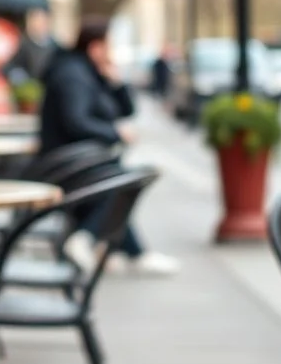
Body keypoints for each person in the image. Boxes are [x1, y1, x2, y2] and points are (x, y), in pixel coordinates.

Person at [37, 17, 179, 276]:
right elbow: (75, 121)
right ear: (95, 46)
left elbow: (126, 110)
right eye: (109, 44)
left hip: (87, 160)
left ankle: (121, 249)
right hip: (68, 164)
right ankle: (88, 238)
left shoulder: (91, 73)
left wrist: (117, 82)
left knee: (120, 182)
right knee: (121, 184)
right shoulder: (73, 76)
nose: (112, 50)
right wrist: (115, 132)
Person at [3, 4, 58, 87]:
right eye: (35, 20)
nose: (38, 24)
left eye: (41, 21)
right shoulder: (22, 44)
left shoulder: (56, 48)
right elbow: (9, 66)